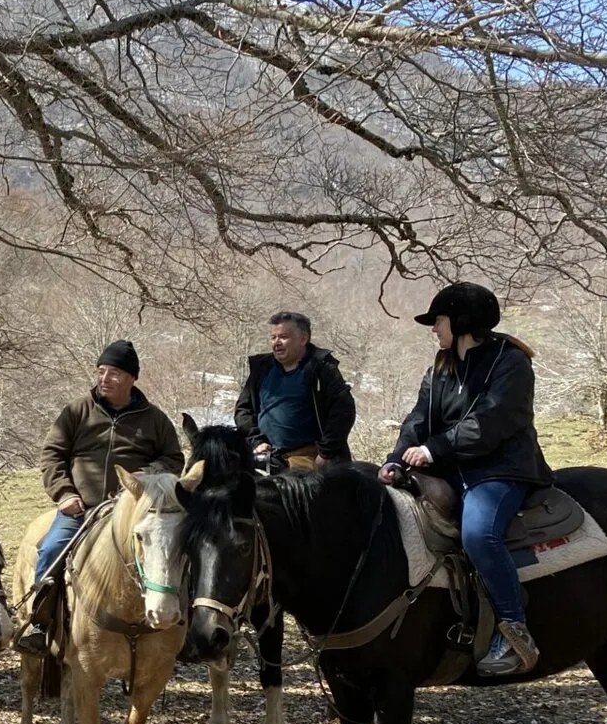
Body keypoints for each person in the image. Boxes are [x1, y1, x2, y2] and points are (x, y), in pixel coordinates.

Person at [379, 282, 553, 678]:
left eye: (437, 319)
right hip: (449, 468)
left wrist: (433, 450)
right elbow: (418, 419)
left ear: (460, 321)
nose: (433, 328)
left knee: (478, 535)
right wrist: (395, 459)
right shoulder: (441, 366)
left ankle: (515, 631)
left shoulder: (511, 362)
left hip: (499, 470)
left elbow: (493, 421)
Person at [14, 340, 185, 654]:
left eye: (114, 373)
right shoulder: (78, 411)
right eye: (101, 371)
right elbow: (52, 455)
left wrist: (151, 472)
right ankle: (41, 625)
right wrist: (64, 493)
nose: (104, 378)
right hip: (81, 508)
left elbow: (174, 460)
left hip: (132, 510)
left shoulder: (155, 419)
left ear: (132, 378)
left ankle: (183, 626)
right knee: (51, 550)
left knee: (172, 549)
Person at [234, 311, 356, 470]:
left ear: (303, 339)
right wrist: (256, 441)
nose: (276, 342)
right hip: (265, 455)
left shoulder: (322, 369)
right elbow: (243, 410)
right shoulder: (262, 368)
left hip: (308, 457)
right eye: (273, 337)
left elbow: (343, 412)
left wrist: (326, 453)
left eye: (283, 337)